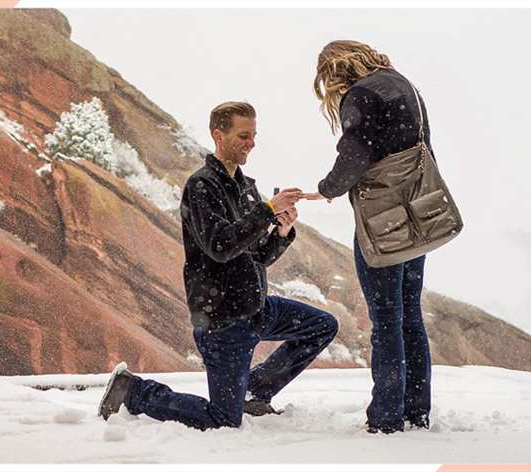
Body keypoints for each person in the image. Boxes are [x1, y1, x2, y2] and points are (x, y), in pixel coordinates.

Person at [98, 101, 339, 430]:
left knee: (323, 325)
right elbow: (220, 246)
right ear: (218, 135)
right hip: (222, 320)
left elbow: (257, 256)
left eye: (253, 135)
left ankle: (254, 392)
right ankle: (134, 391)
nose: (251, 143)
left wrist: (281, 231)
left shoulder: (246, 188)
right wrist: (267, 210)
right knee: (224, 419)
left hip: (256, 308)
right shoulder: (201, 187)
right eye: (243, 135)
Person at [303, 40, 433, 434]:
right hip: (417, 216)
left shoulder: (360, 95)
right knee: (411, 314)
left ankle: (387, 417)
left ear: (334, 71)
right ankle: (416, 410)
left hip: (382, 222)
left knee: (387, 320)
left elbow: (356, 155)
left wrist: (326, 188)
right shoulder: (405, 86)